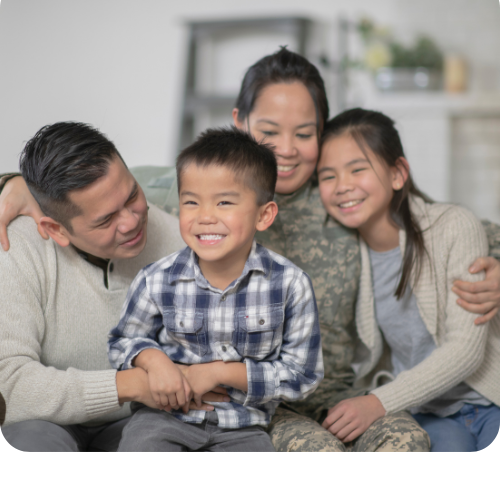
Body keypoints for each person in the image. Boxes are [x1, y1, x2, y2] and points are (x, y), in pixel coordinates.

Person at [2, 48, 500, 451]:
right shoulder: (190, 206)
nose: (285, 148)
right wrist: (16, 183)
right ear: (240, 123)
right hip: (249, 408)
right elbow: (122, 190)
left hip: (335, 390)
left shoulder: (341, 195)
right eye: (268, 132)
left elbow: (432, 221)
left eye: (304, 134)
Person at [0, 122, 230, 452]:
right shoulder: (18, 249)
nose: (132, 221)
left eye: (133, 195)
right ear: (57, 229)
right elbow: (9, 385)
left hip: (138, 420)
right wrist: (128, 384)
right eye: (106, 220)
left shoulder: (181, 245)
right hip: (42, 424)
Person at [108, 127, 323, 452]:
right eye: (191, 202)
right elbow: (121, 344)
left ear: (263, 215)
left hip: (244, 427)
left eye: (224, 202)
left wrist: (220, 373)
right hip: (164, 419)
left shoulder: (290, 284)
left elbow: (302, 375)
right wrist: (156, 362)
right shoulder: (157, 279)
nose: (205, 217)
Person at [316, 108, 500, 452]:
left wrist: (377, 402)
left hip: (491, 399)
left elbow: (466, 350)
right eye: (328, 177)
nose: (343, 186)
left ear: (398, 173)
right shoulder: (345, 254)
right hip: (429, 412)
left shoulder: (453, 226)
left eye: (358, 169)